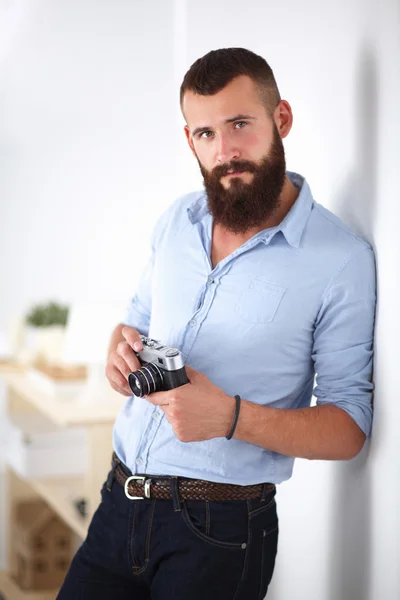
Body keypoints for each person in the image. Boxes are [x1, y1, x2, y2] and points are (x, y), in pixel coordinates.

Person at [57, 47, 376, 600]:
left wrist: (229, 417)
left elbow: (349, 428)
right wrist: (119, 345)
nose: (224, 151)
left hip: (220, 535)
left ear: (281, 120)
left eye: (239, 124)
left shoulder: (339, 259)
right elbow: (137, 319)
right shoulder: (176, 221)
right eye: (205, 133)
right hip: (118, 504)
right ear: (190, 141)